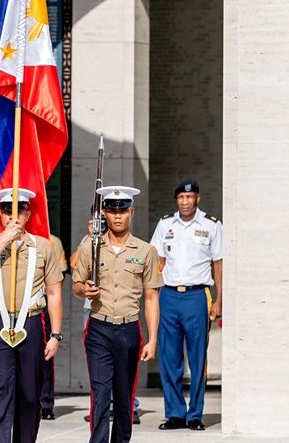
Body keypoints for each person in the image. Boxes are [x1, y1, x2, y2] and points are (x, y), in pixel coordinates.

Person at [0, 187, 64, 443]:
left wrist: (56, 335)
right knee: (0, 392)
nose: (13, 217)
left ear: (28, 213)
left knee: (30, 394)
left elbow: (55, 292)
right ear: (0, 215)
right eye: (7, 211)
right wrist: (3, 240)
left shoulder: (45, 246)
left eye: (19, 211)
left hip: (32, 323)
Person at [72, 186, 161, 443]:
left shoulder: (146, 251)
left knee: (124, 396)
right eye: (112, 210)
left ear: (131, 212)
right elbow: (77, 285)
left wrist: (152, 339)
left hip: (128, 330)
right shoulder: (91, 246)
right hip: (99, 327)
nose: (118, 216)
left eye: (123, 210)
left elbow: (152, 297)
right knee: (100, 393)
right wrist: (84, 290)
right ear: (104, 213)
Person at [150, 180, 223, 431]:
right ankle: (175, 414)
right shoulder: (165, 224)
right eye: (181, 197)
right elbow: (157, 260)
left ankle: (195, 415)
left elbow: (218, 263)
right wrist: (153, 296)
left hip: (197, 296)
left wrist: (219, 299)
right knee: (169, 357)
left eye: (189, 197)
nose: (185, 202)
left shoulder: (211, 225)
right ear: (176, 200)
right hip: (169, 295)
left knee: (198, 356)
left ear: (198, 199)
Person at [40, 234, 67, 420]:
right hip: (17, 308)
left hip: (43, 304)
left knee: (46, 356)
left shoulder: (52, 241)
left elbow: (60, 275)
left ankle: (46, 403)